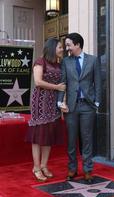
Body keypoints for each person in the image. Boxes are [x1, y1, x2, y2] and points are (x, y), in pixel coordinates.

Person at [58, 32, 102, 183]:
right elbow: (62, 83)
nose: (67, 47)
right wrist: (59, 102)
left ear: (77, 44)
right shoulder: (65, 61)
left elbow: (98, 82)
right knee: (71, 140)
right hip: (71, 106)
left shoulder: (93, 60)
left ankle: (88, 170)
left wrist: (97, 102)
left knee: (87, 139)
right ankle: (72, 169)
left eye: (69, 44)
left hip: (88, 106)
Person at [26, 38, 66, 181]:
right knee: (38, 135)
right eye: (60, 47)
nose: (62, 49)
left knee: (49, 135)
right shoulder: (40, 61)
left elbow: (63, 86)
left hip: (53, 103)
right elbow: (38, 82)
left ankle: (44, 165)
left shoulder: (60, 64)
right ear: (52, 48)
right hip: (40, 103)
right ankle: (36, 167)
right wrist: (57, 87)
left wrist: (62, 103)